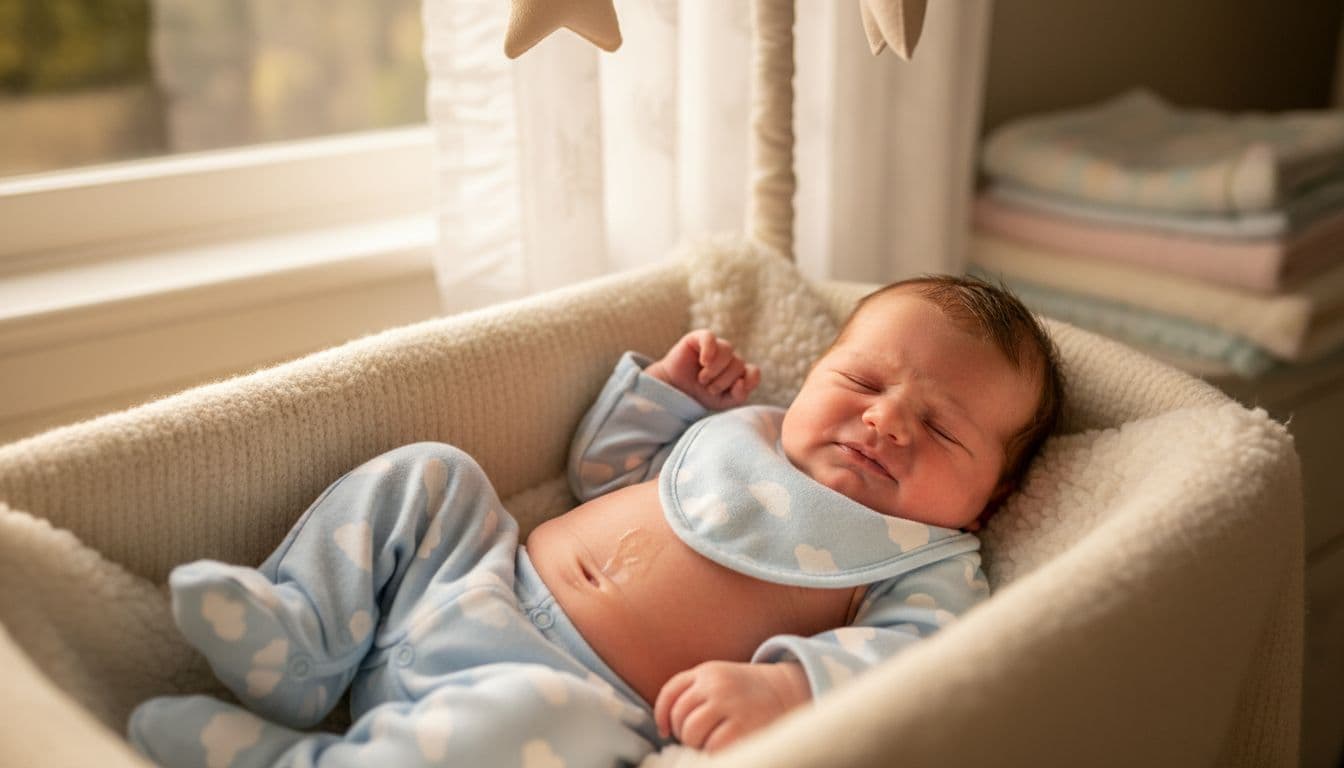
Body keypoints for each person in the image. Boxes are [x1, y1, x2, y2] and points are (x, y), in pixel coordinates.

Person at [129, 275, 1064, 768]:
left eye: (941, 427)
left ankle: (303, 760)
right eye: (862, 381)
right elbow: (600, 474)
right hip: (480, 578)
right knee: (435, 475)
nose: (886, 420)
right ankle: (305, 641)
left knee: (546, 728)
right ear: (817, 373)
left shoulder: (929, 562)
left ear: (994, 498)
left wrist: (788, 691)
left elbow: (911, 660)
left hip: (572, 691)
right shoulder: (749, 431)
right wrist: (664, 397)